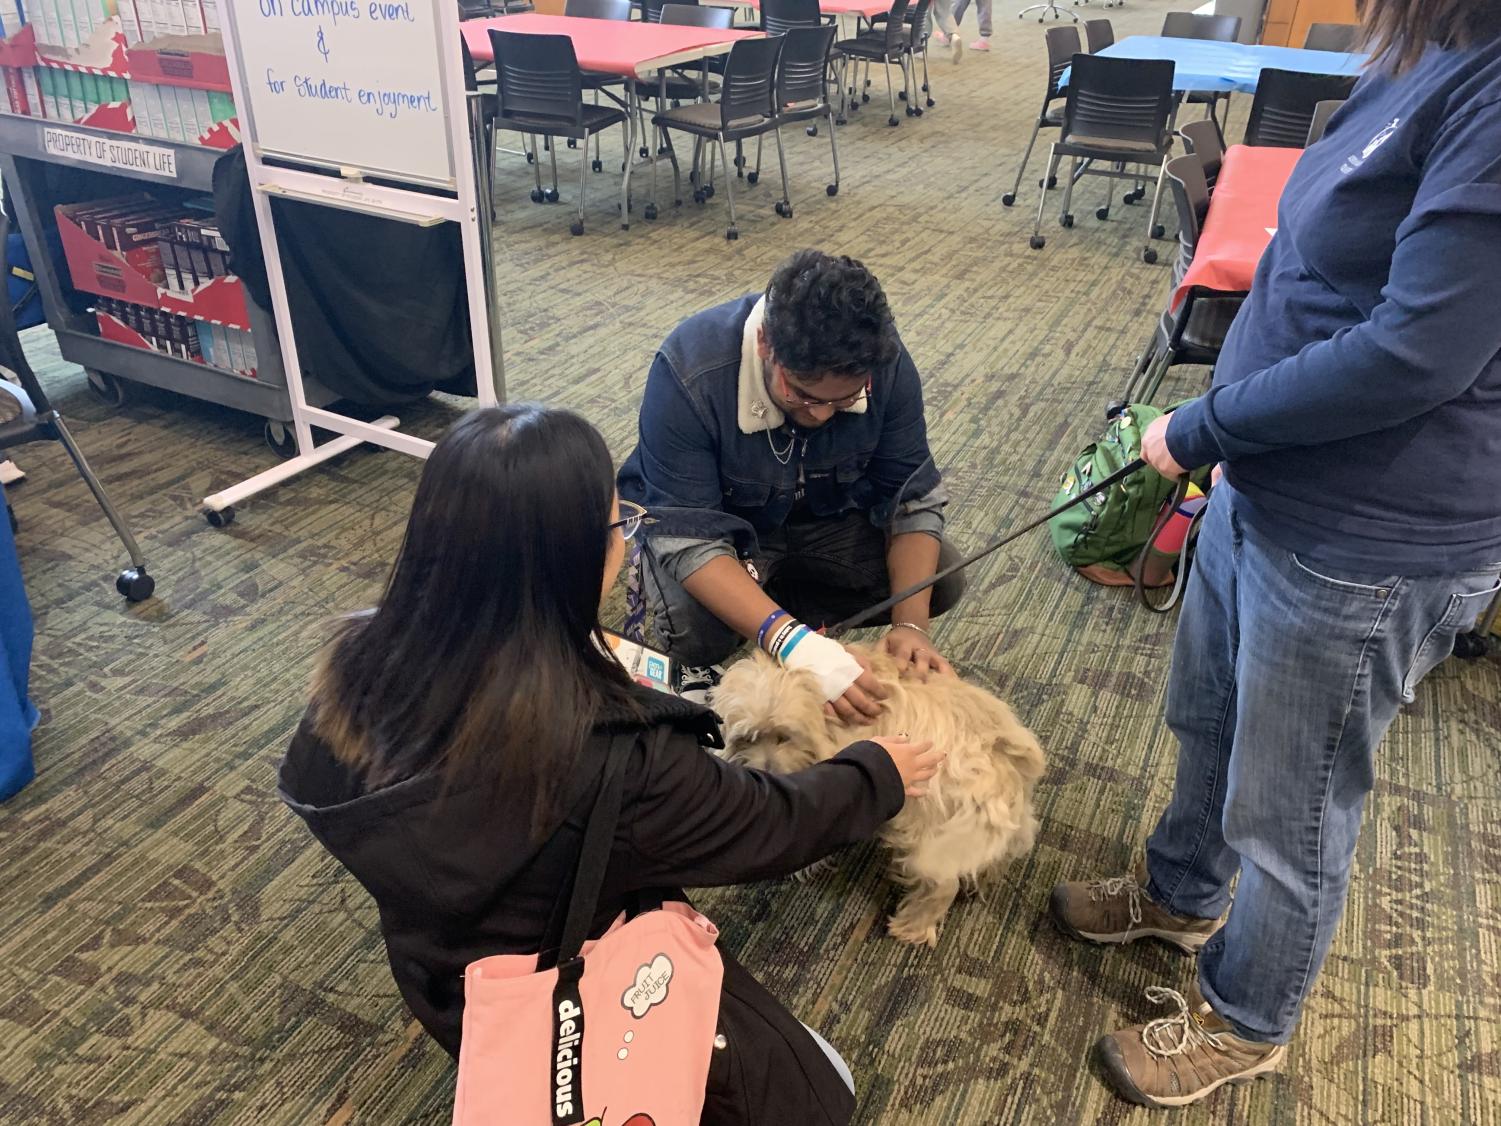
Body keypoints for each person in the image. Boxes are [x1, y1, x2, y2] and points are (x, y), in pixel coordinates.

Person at [1050, 0, 1501, 1108]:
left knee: (1289, 807)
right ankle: (1179, 891)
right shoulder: (1432, 51)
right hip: (1266, 478)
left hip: (1366, 532)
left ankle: (1248, 1014)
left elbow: (1413, 355)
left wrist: (1200, 427)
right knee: (1205, 718)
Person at [277, 405, 944, 1125]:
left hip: (446, 979)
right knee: (822, 1093)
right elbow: (766, 824)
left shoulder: (347, 677)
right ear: (585, 557)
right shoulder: (618, 757)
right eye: (616, 522)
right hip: (593, 984)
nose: (625, 534)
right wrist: (876, 772)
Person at [618, 249, 965, 720]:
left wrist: (911, 625)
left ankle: (770, 606)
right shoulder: (688, 371)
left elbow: (912, 502)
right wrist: (790, 640)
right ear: (765, 343)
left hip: (825, 523)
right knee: (697, 634)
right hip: (726, 536)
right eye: (801, 393)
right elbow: (691, 543)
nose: (821, 413)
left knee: (940, 576)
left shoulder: (883, 362)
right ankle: (772, 613)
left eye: (843, 400)